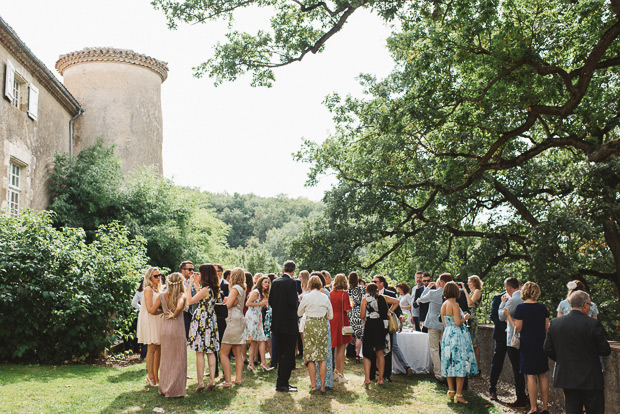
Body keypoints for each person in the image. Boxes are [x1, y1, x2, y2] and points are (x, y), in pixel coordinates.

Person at [544, 291, 611, 414]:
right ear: (585, 304)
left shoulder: (555, 323)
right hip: (591, 378)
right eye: (590, 305)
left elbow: (547, 348)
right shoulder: (593, 324)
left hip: (567, 376)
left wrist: (563, 359)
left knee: (572, 410)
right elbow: (605, 350)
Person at [504, 281, 549, 414]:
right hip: (541, 343)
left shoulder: (521, 308)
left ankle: (534, 408)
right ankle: (545, 407)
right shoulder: (543, 308)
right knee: (542, 375)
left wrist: (508, 316)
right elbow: (547, 327)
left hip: (527, 344)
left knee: (530, 376)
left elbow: (518, 328)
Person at [440, 281, 478, 404]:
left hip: (447, 335)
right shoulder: (454, 304)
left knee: (449, 362)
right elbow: (457, 322)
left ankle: (451, 391)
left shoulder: (444, 304)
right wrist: (465, 318)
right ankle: (459, 394)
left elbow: (445, 323)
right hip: (457, 335)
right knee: (460, 363)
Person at [152, 272, 187, 397]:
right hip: (177, 328)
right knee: (178, 358)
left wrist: (164, 310)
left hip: (166, 329)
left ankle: (164, 387)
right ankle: (175, 389)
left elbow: (152, 310)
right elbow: (179, 306)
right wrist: (174, 314)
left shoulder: (162, 295)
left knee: (166, 359)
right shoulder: (181, 295)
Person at [187, 264, 220, 391]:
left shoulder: (205, 289)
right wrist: (196, 283)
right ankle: (212, 380)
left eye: (200, 273)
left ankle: (200, 382)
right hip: (210, 319)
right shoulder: (212, 289)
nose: (198, 275)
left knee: (199, 351)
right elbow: (202, 296)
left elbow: (190, 301)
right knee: (210, 351)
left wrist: (190, 284)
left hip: (201, 320)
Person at [298, 275, 334, 392]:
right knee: (322, 357)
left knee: (310, 357)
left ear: (309, 284)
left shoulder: (307, 297)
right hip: (322, 325)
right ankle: (323, 386)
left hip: (310, 325)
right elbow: (330, 316)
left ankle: (313, 385)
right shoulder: (324, 297)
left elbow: (299, 313)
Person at [269, 260, 299, 392]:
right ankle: (282, 383)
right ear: (293, 270)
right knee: (288, 354)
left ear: (283, 269)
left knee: (281, 353)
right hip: (289, 324)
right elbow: (293, 303)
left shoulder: (275, 282)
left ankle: (282, 381)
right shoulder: (292, 283)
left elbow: (270, 301)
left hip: (277, 322)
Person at [360, 282, 399, 385]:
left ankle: (367, 378)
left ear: (367, 291)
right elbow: (397, 301)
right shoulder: (383, 298)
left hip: (370, 326)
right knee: (380, 353)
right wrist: (389, 312)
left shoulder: (365, 299)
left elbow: (362, 315)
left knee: (367, 353)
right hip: (381, 327)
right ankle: (380, 379)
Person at [498, 277, 527, 409]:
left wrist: (502, 303)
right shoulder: (525, 297)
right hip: (526, 337)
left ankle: (521, 398)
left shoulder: (513, 299)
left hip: (514, 339)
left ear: (509, 287)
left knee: (517, 370)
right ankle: (525, 396)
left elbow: (501, 316)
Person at [418, 273, 452, 382]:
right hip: (446, 324)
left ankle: (439, 373)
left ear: (441, 283)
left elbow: (422, 299)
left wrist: (427, 288)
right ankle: (448, 372)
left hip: (433, 324)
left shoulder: (434, 293)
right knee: (445, 348)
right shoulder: (452, 294)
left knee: (434, 349)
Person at [219, 267, 247, 387]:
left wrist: (225, 300)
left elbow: (228, 305)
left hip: (233, 320)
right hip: (240, 319)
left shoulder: (235, 288)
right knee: (237, 352)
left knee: (223, 352)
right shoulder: (242, 289)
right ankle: (238, 378)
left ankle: (228, 380)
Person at [137, 267, 163, 386]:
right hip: (150, 320)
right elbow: (149, 308)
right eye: (156, 276)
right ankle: (151, 376)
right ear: (150, 278)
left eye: (159, 275)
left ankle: (156, 375)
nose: (159, 278)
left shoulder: (159, 289)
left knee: (159, 348)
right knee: (151, 347)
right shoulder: (148, 290)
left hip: (158, 320)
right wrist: (163, 311)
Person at [245, 275, 273, 372]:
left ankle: (253, 363)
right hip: (252, 317)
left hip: (258, 317)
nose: (267, 284)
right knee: (257, 340)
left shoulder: (262, 293)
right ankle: (260, 363)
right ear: (260, 282)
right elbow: (248, 303)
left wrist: (263, 305)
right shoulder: (256, 292)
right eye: (265, 282)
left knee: (258, 340)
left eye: (268, 282)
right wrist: (260, 304)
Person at [329, 274, 353, 384]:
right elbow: (347, 309)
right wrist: (351, 305)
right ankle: (341, 373)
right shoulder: (344, 294)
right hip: (341, 321)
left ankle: (335, 371)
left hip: (332, 320)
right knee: (342, 348)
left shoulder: (330, 293)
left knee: (335, 346)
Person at [488, 288, 508, 401]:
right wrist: (505, 328)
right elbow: (493, 316)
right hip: (501, 335)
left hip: (515, 337)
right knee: (497, 363)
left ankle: (521, 394)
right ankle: (492, 389)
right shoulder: (497, 297)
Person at [460, 275, 482, 366]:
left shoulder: (477, 291)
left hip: (472, 317)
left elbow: (470, 302)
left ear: (475, 282)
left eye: (470, 282)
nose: (468, 284)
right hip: (468, 316)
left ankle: (476, 366)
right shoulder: (471, 292)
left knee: (474, 342)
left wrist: (464, 290)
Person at [347, 272, 365, 362]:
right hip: (359, 312)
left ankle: (342, 354)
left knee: (348, 334)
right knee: (359, 335)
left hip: (350, 312)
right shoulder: (361, 289)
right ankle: (357, 355)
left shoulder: (347, 290)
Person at [131, 278, 148, 359]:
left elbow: (133, 303)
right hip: (149, 312)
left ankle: (143, 354)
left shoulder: (139, 291)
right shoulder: (150, 290)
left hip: (142, 313)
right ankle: (146, 354)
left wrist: (140, 307)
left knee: (144, 333)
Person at [180, 261, 196, 340]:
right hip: (180, 312)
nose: (192, 271)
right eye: (190, 269)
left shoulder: (192, 281)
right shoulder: (178, 281)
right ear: (183, 270)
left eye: (193, 269)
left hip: (190, 312)